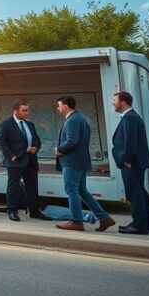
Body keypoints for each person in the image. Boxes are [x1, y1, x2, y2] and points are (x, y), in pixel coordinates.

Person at [54, 95, 115, 232]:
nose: (58, 108)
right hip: (80, 161)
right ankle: (104, 218)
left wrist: (59, 150)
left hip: (72, 162)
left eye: (59, 105)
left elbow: (72, 141)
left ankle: (76, 222)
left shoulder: (72, 120)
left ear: (65, 105)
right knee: (82, 191)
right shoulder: (79, 119)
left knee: (71, 191)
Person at [0, 99, 50, 222]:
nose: (27, 113)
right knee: (13, 187)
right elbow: (1, 141)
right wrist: (11, 156)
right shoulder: (6, 125)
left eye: (27, 110)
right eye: (24, 110)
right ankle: (12, 211)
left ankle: (34, 212)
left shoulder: (30, 124)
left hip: (30, 160)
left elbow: (37, 140)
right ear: (15, 111)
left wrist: (35, 148)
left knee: (32, 187)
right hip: (15, 161)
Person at [111, 91, 149, 235]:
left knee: (134, 194)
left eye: (115, 100)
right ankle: (146, 224)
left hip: (131, 163)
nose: (113, 103)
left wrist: (127, 160)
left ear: (123, 102)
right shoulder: (131, 116)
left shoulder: (129, 118)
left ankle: (139, 225)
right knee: (140, 193)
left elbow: (130, 141)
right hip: (137, 162)